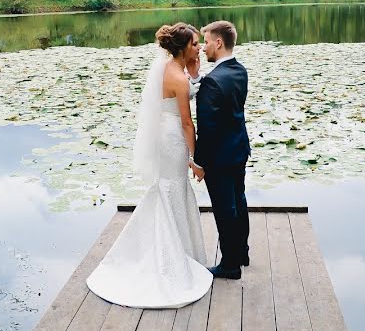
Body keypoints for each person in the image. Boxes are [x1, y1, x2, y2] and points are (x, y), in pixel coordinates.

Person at [86, 23, 212, 308]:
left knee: (167, 187)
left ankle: (176, 250)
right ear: (182, 48)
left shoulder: (168, 68)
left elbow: (185, 86)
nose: (199, 47)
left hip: (163, 133)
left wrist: (194, 71)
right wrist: (196, 159)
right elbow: (187, 123)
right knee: (173, 187)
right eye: (194, 44)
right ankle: (172, 257)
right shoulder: (177, 78)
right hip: (174, 139)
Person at [187, 20, 250, 280]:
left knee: (225, 209)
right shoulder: (239, 70)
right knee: (239, 201)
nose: (203, 48)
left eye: (207, 41)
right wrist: (197, 77)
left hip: (220, 157)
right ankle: (242, 252)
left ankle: (230, 265)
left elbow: (208, 130)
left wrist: (198, 162)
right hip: (238, 149)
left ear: (219, 42)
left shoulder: (213, 82)